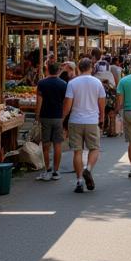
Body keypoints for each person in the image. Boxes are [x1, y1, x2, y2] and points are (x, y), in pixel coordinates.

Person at [62, 58, 106, 193]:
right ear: (91, 68)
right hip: (92, 120)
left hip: (75, 120)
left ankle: (79, 181)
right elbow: (102, 102)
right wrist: (102, 117)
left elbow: (68, 104)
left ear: (79, 68)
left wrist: (62, 118)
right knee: (95, 148)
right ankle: (88, 169)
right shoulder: (97, 82)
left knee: (77, 151)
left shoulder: (72, 83)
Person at [35, 59, 68, 181]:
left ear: (47, 69)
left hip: (45, 116)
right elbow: (66, 101)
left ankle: (47, 169)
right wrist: (63, 115)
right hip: (58, 117)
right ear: (58, 70)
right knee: (57, 144)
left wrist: (37, 115)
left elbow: (39, 101)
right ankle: (56, 171)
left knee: (46, 144)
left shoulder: (42, 83)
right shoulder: (63, 84)